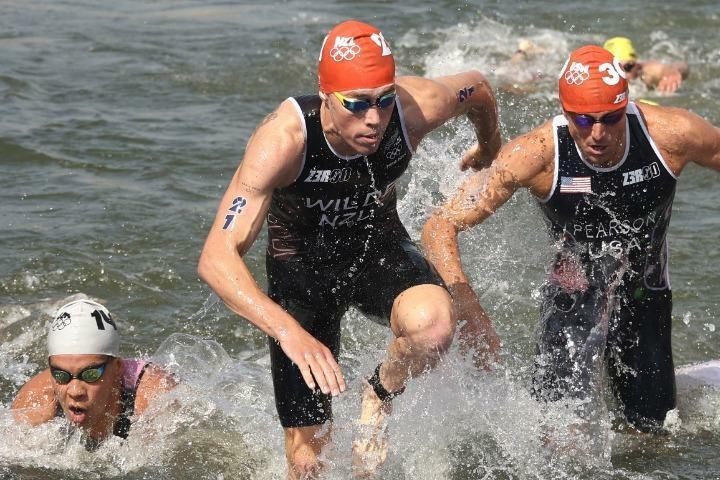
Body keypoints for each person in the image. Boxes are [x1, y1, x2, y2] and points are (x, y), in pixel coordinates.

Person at [197, 19, 501, 478]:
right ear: (326, 96)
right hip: (300, 269)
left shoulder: (415, 108)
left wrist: (489, 144)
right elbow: (216, 257)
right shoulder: (283, 141)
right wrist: (288, 332)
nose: (374, 118)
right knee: (308, 465)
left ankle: (380, 392)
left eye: (383, 99)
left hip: (375, 247)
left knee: (434, 327)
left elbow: (477, 89)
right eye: (356, 104)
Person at [422, 45, 720, 434]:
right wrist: (468, 307)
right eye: (583, 119)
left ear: (626, 105)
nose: (598, 134)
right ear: (564, 111)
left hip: (644, 298)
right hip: (571, 300)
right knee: (558, 441)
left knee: (653, 436)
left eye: (611, 119)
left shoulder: (671, 134)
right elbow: (439, 226)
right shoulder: (534, 155)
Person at [12, 299, 176, 445]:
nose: (75, 391)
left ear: (117, 368)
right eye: (61, 374)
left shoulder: (155, 397)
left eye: (90, 374)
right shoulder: (33, 404)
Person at [604, 37, 689, 94]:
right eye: (616, 69)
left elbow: (682, 65)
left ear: (637, 65)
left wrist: (672, 71)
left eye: (628, 67)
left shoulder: (647, 73)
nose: (624, 74)